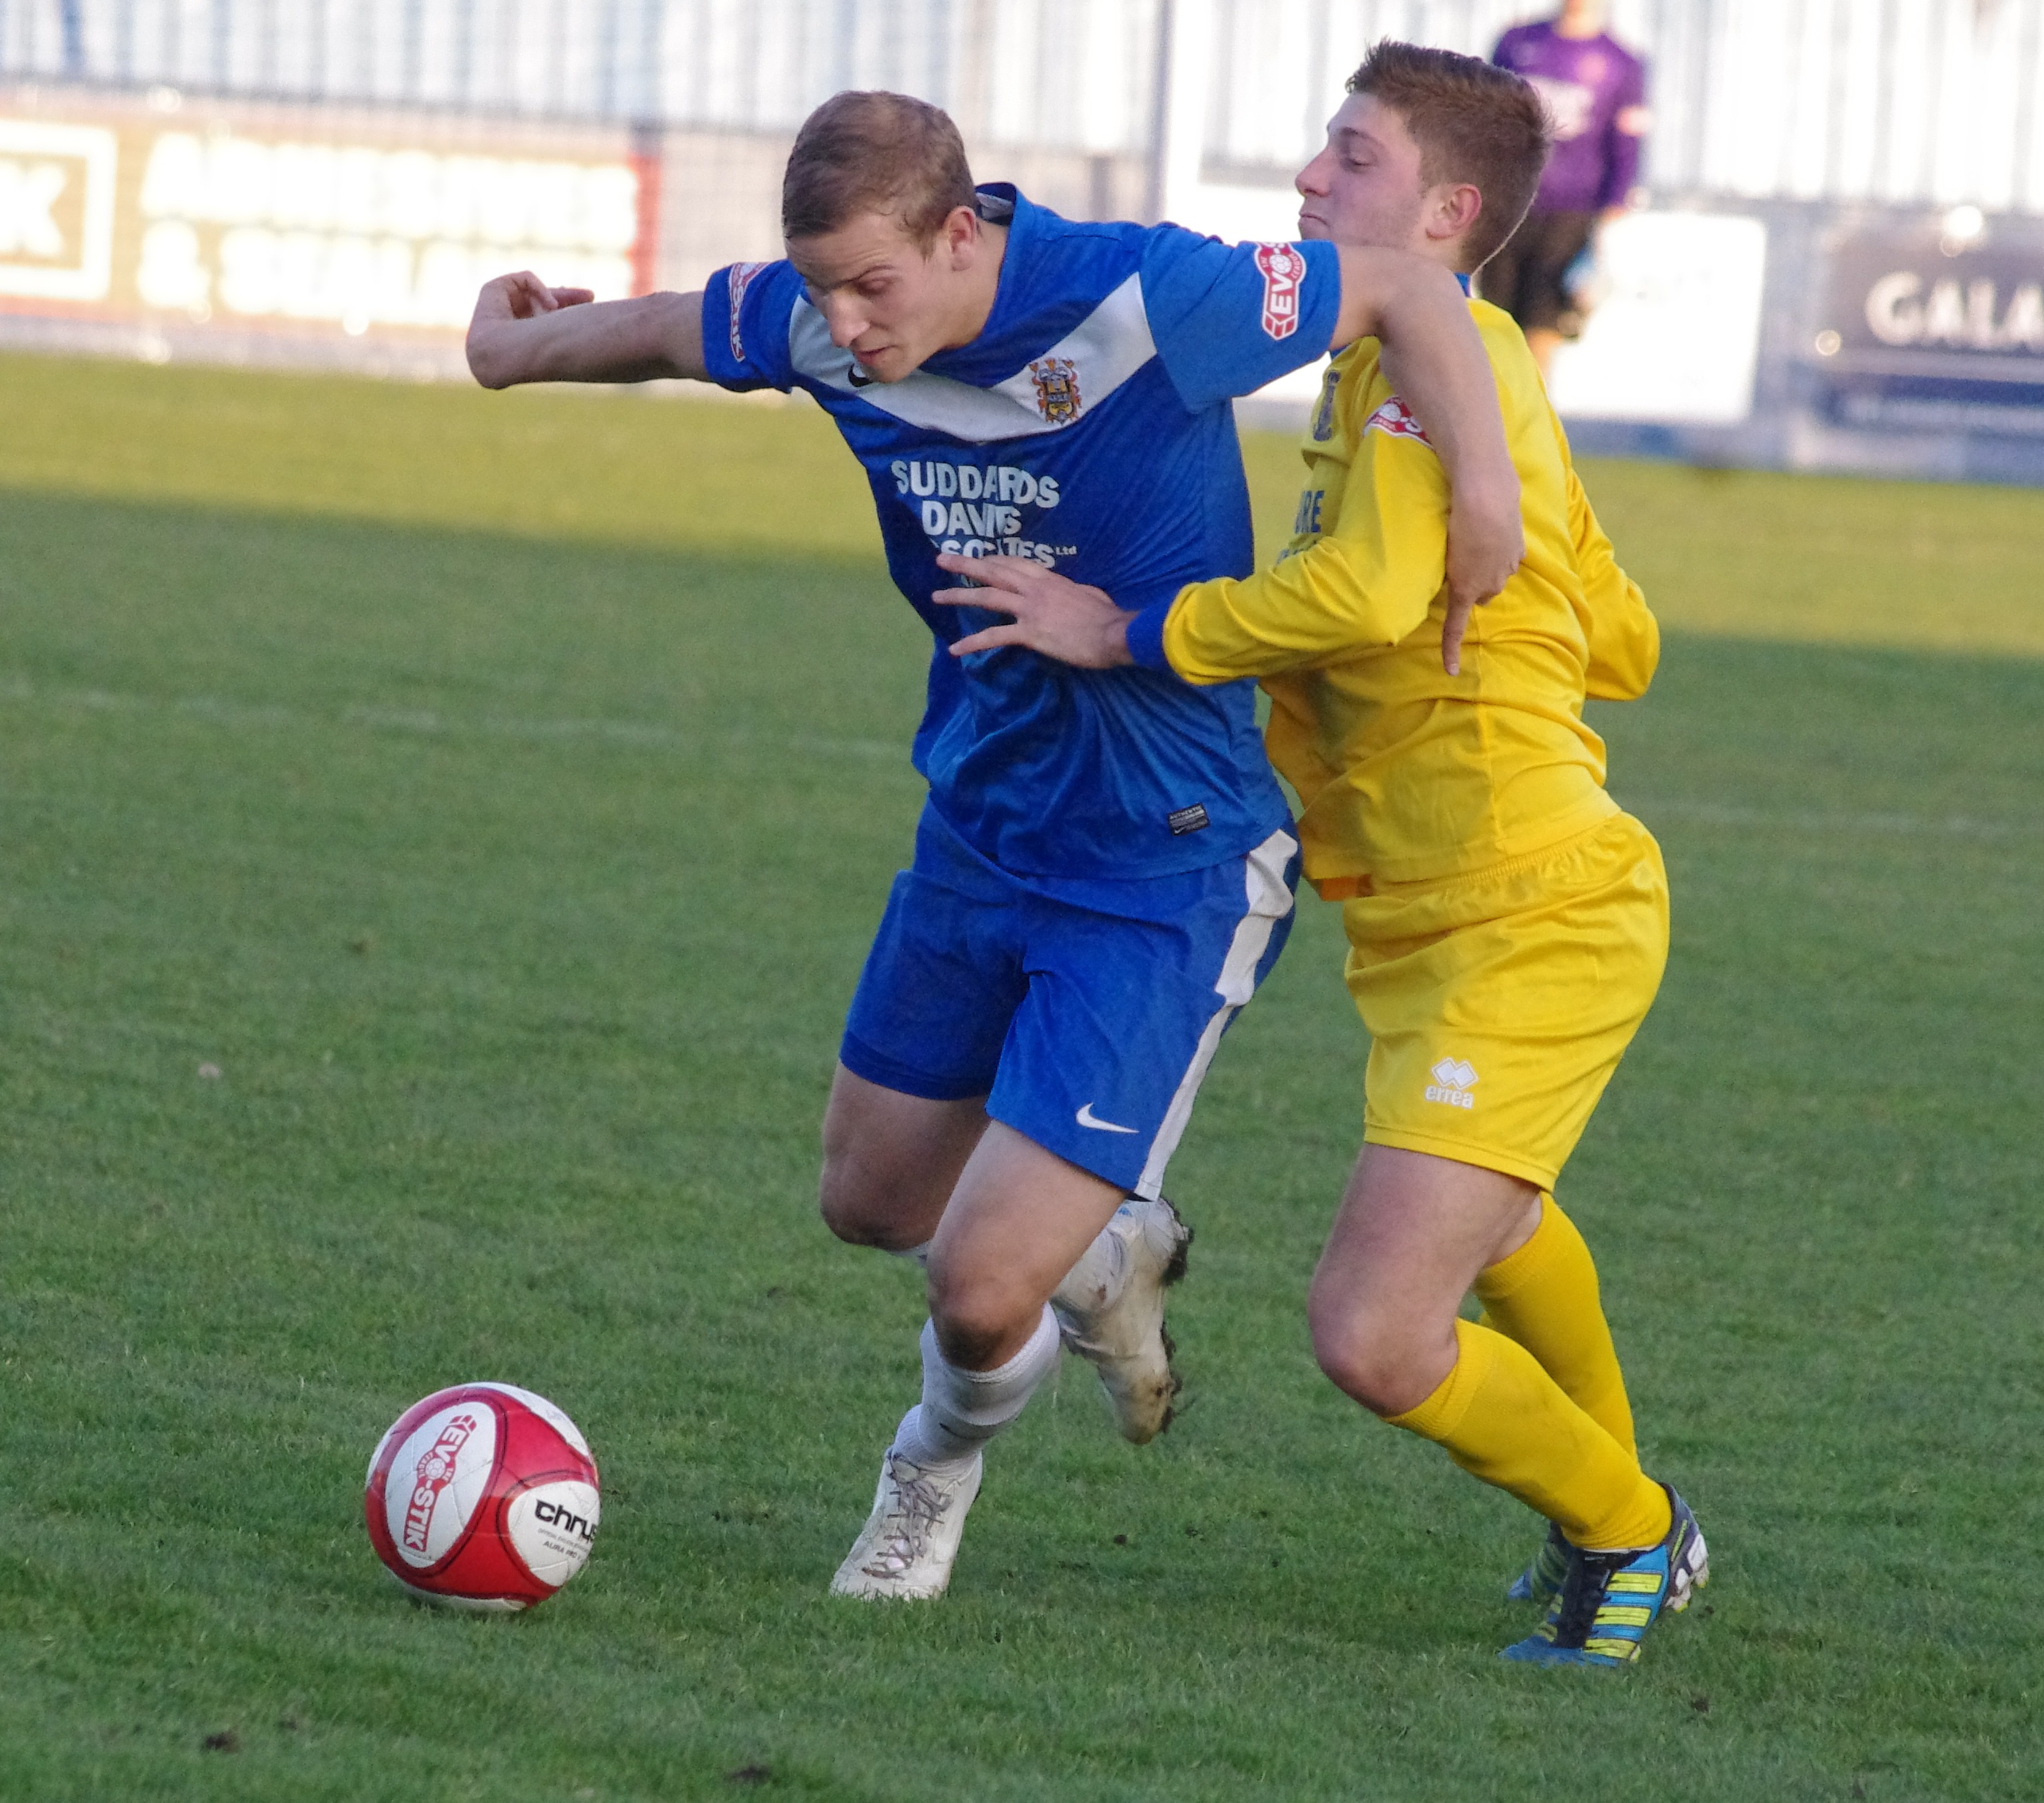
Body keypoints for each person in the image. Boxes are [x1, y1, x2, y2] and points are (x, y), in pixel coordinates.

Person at [464, 89, 1526, 1601]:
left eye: (874, 286)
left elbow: (1412, 288)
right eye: (822, 288)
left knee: (973, 1287)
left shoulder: (1152, 296)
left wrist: (1482, 489)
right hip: (979, 826)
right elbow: (668, 331)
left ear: (963, 234)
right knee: (872, 1205)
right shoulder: (825, 321)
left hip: (1166, 861)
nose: (845, 323)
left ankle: (926, 1475)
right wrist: (506, 350)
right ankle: (1101, 1251)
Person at [936, 42, 1706, 1668]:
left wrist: (1120, 626)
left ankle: (1629, 1534)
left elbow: (1361, 602)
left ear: (1442, 213)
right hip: (1437, 917)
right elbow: (1619, 636)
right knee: (1490, 1227)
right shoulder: (1406, 377)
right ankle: (1616, 1507)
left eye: (1346, 157)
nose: (1305, 179)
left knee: (1370, 1331)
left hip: (1529, 908)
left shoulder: (1460, 356)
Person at [1484, 1, 1648, 380]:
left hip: (1570, 214)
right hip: (1508, 205)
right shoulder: (1518, 42)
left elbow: (1626, 146)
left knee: (1542, 324)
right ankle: (1488, 419)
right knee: (1494, 322)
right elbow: (1486, 117)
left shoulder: (1621, 62)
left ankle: (1527, 425)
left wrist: (1610, 215)